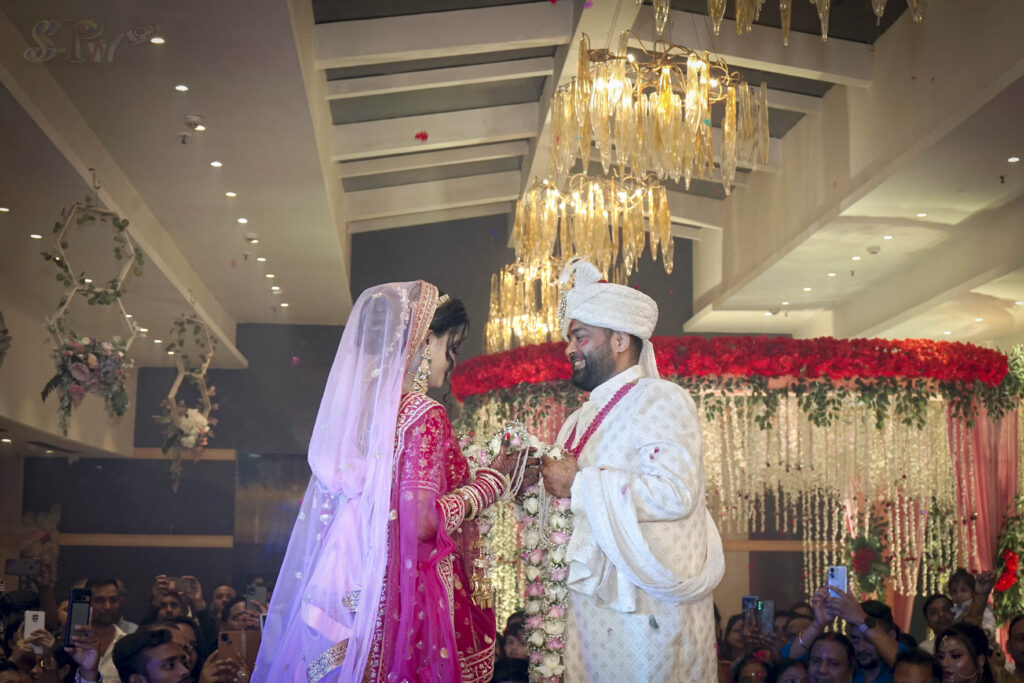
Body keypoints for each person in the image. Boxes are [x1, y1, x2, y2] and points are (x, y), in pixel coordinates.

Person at [253, 282, 516, 682]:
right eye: (452, 347)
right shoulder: (424, 414)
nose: (452, 362)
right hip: (402, 591)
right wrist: (489, 485)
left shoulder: (367, 419)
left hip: (352, 572)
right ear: (426, 340)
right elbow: (421, 522)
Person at [537, 259, 725, 682]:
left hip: (646, 613)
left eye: (581, 337)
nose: (569, 349)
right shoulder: (577, 420)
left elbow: (676, 493)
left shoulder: (660, 399)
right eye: (570, 339)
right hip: (588, 614)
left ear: (620, 340)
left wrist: (579, 483)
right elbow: (565, 500)